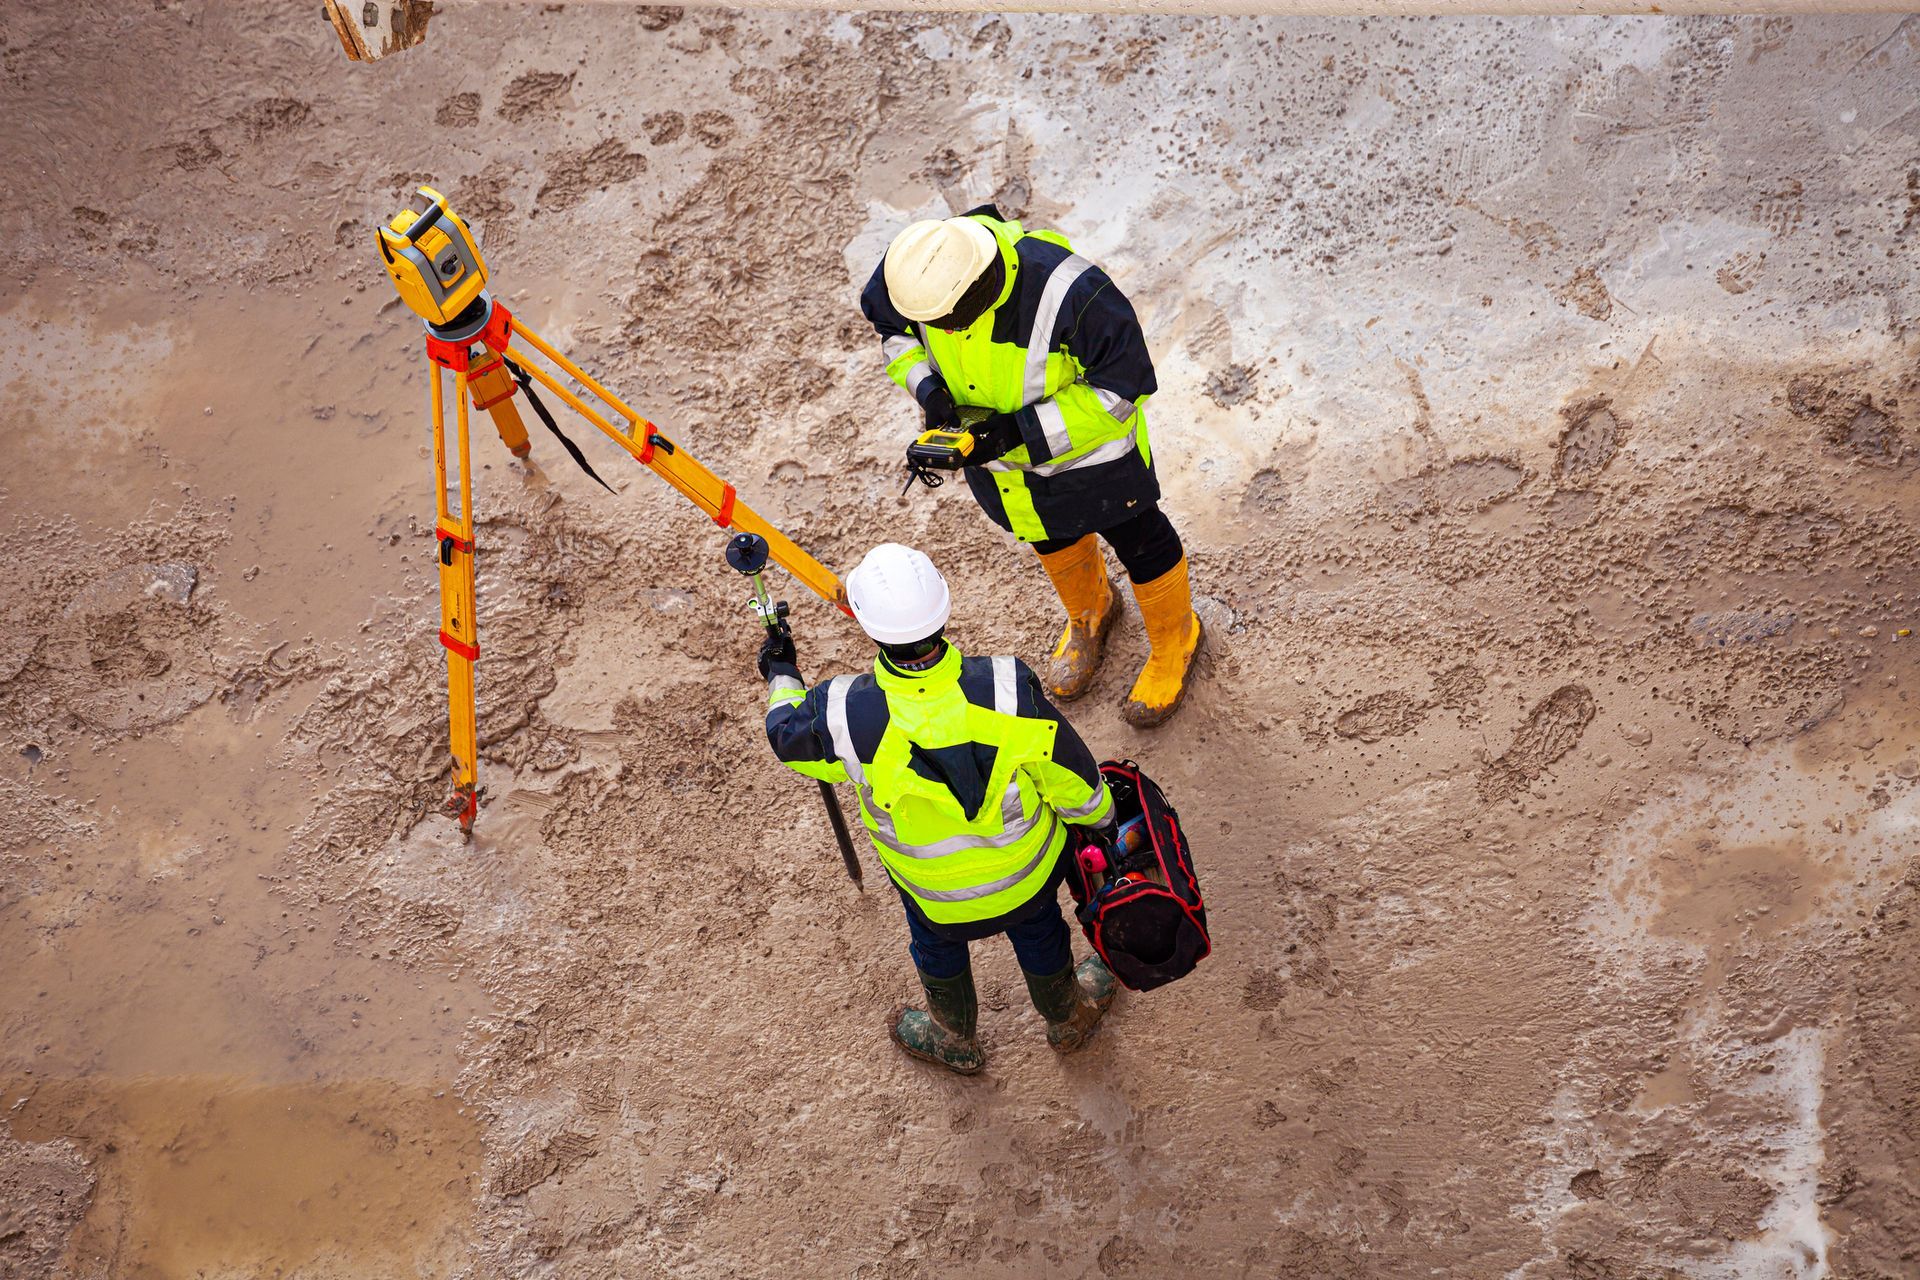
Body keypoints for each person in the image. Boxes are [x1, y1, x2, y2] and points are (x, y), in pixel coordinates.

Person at [759, 542, 1119, 1074]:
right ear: (943, 611)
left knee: (936, 948)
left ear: (865, 623)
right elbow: (1072, 780)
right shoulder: (1007, 685)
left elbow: (785, 736)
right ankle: (1067, 1018)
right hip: (1028, 873)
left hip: (931, 892)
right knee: (1041, 933)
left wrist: (782, 673)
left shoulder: (839, 712)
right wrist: (1103, 824)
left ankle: (954, 1036)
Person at [860, 206, 1203, 727]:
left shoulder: (1073, 293)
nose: (942, 334)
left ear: (979, 288)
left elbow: (1121, 390)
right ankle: (1093, 612)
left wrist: (1018, 432)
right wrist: (927, 388)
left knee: (1141, 541)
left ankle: (1176, 640)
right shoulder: (914, 273)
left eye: (948, 323)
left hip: (1095, 458)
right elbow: (892, 331)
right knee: (1047, 531)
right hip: (1006, 469)